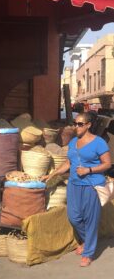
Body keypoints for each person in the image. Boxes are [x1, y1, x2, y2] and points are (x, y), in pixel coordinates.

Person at [42, 112, 111, 267]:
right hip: (74, 184)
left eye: (80, 124)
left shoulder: (99, 142)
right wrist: (51, 174)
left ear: (88, 125)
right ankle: (88, 241)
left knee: (90, 219)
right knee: (74, 217)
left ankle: (88, 253)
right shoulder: (73, 142)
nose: (76, 127)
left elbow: (107, 164)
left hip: (91, 185)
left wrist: (89, 170)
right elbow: (68, 163)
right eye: (75, 123)